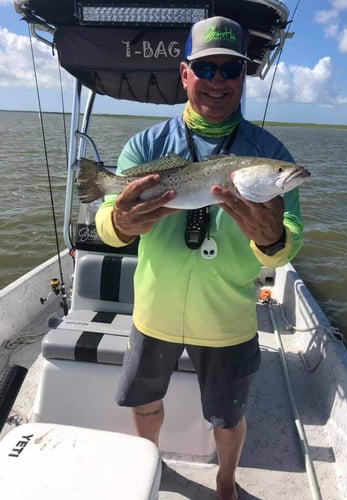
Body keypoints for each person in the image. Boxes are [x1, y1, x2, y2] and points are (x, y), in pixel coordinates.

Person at [95, 16, 304, 500]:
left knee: (228, 415)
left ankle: (226, 482)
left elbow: (291, 237)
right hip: (154, 312)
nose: (217, 82)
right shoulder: (146, 146)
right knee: (146, 402)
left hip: (227, 319)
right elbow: (108, 223)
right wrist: (120, 223)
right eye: (205, 69)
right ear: (185, 74)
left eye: (230, 69)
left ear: (242, 77)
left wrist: (272, 240)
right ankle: (150, 467)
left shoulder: (269, 153)